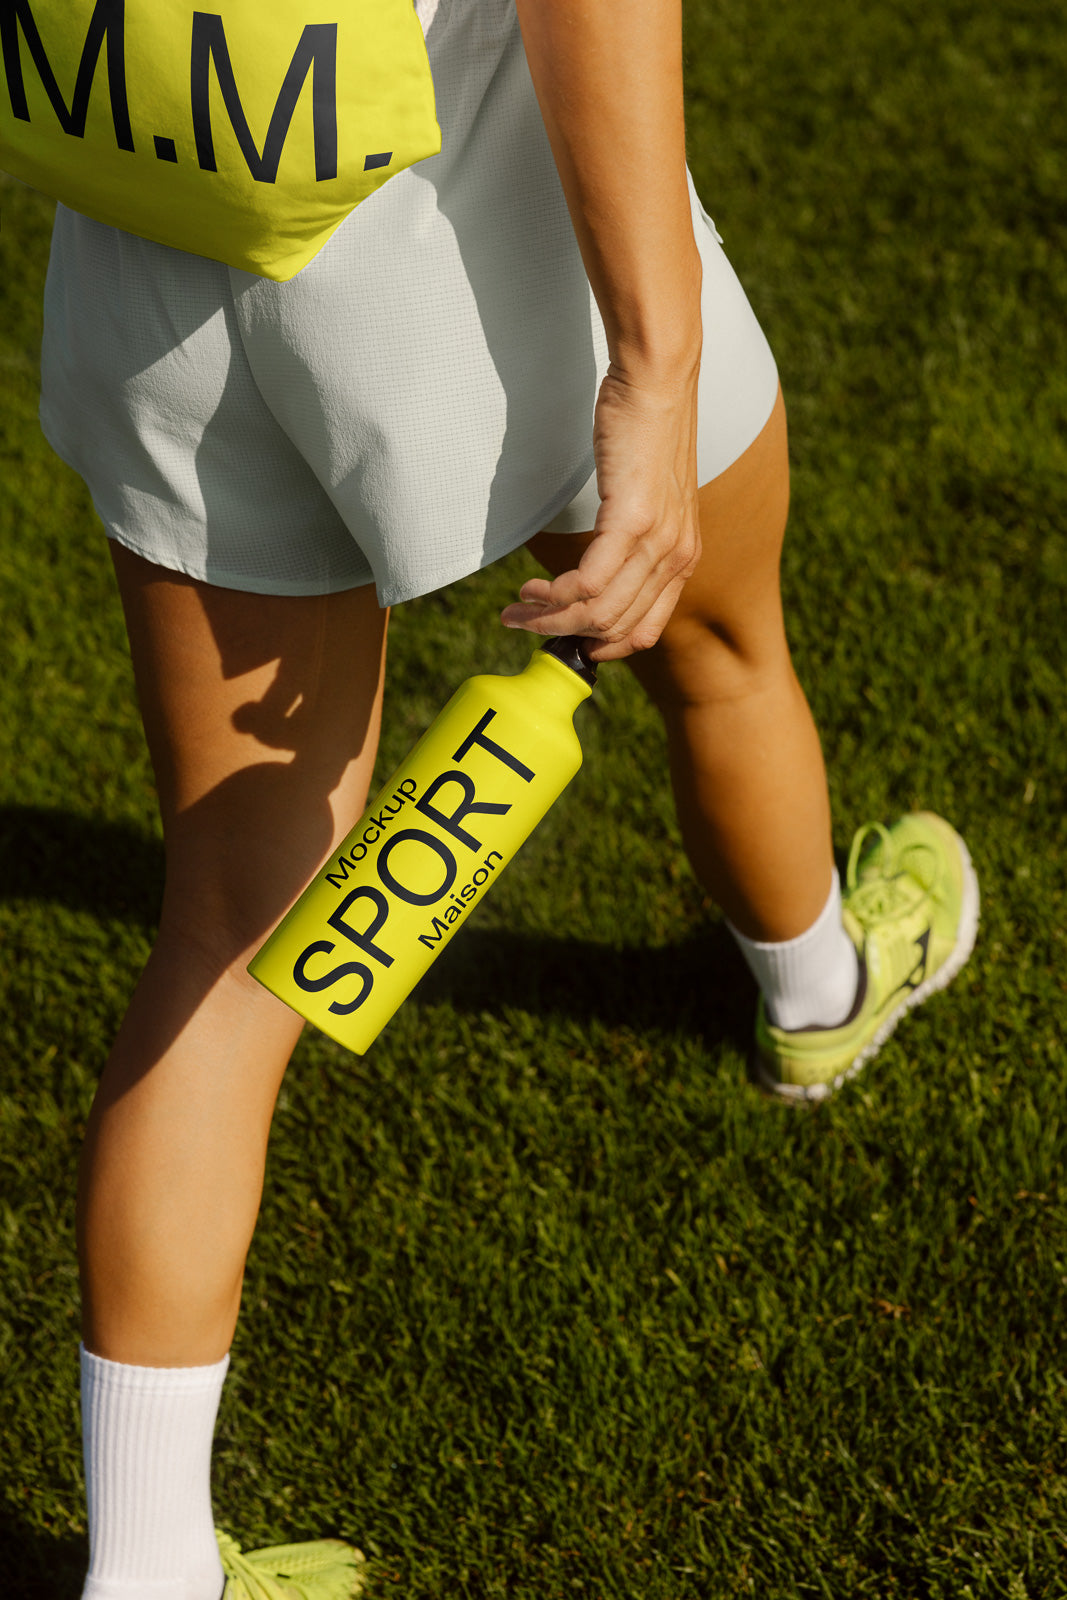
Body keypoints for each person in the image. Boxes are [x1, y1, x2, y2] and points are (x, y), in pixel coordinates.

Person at [33, 0, 978, 1594]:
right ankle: (820, 984)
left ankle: (148, 1571)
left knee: (232, 898)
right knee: (723, 649)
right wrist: (658, 370)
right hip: (467, 220)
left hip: (159, 214)